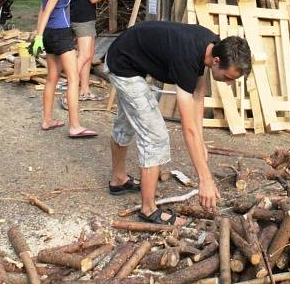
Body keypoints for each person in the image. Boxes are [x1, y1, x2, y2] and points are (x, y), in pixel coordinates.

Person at [104, 21, 251, 223]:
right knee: (155, 135)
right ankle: (148, 209)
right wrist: (205, 178)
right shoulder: (187, 57)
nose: (227, 83)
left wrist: (200, 141)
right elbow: (187, 126)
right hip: (122, 65)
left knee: (128, 121)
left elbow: (198, 94)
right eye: (227, 77)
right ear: (216, 60)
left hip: (130, 57)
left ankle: (119, 179)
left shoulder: (211, 44)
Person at [32, 0, 98, 138]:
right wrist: (37, 37)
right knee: (73, 79)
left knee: (52, 76)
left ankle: (47, 120)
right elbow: (48, 10)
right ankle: (75, 126)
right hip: (60, 34)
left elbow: (41, 11)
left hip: (51, 35)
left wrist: (40, 36)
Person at [67, 0, 123, 104]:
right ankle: (69, 90)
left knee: (88, 54)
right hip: (84, 17)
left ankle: (84, 90)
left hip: (78, 15)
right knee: (84, 55)